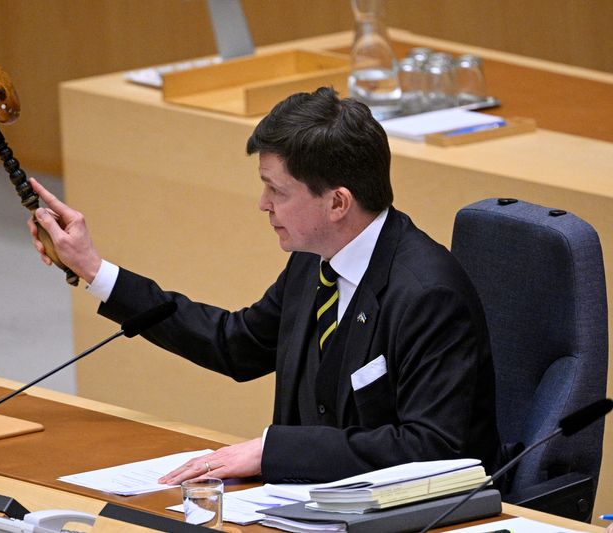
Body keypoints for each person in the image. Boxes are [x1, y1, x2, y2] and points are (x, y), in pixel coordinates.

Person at [28, 87, 502, 485]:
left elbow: (433, 449)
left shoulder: (427, 294)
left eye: (277, 190)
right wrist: (94, 270)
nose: (263, 204)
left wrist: (271, 452)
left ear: (338, 202)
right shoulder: (313, 262)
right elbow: (234, 344)